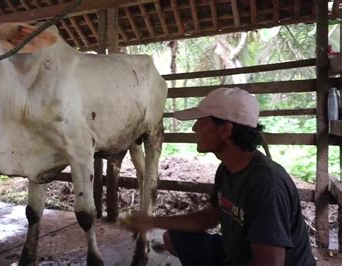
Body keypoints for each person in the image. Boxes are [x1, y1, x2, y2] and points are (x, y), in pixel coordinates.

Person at [124, 87, 316, 266]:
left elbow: (270, 263)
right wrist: (152, 222)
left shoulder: (266, 184)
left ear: (225, 130)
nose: (194, 129)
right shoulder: (226, 169)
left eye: (201, 122)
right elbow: (212, 216)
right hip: (238, 253)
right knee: (172, 238)